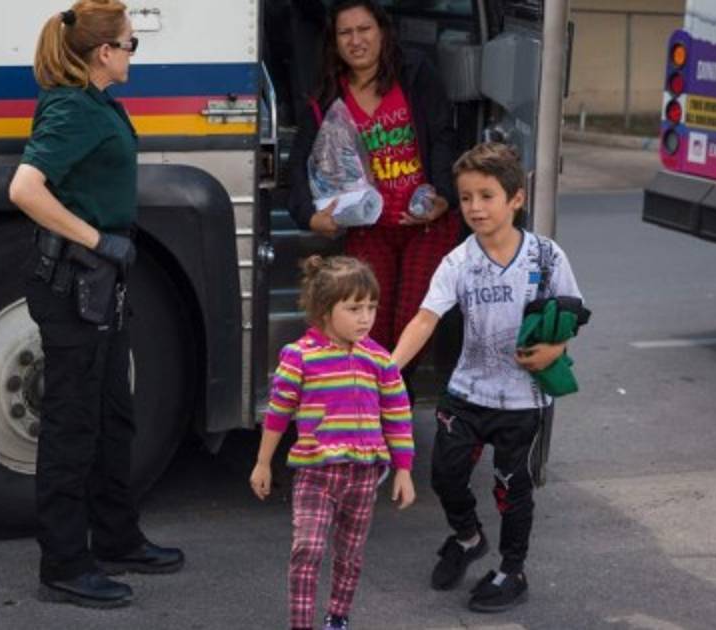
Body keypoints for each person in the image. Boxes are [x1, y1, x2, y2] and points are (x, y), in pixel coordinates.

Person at [8, 0, 183, 610]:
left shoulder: (96, 102)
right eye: (130, 44)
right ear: (104, 52)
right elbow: (24, 188)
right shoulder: (73, 108)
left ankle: (115, 537)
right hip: (74, 284)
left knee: (113, 416)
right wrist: (97, 241)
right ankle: (63, 565)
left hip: (100, 284)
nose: (134, 53)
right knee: (72, 425)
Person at [390, 143, 584, 612]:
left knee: (511, 488)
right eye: (466, 197)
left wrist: (556, 349)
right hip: (466, 393)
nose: (475, 207)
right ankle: (468, 537)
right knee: (445, 476)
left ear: (516, 198)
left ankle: (512, 570)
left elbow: (573, 313)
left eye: (486, 196)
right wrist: (386, 370)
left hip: (523, 401)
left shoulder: (546, 257)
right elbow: (425, 319)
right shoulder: (458, 262)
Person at [287, 0, 462, 362]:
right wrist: (309, 216)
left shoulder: (415, 73)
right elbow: (300, 161)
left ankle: (393, 389)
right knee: (369, 326)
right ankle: (379, 391)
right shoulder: (327, 96)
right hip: (369, 228)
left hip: (425, 224)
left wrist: (444, 197)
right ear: (334, 42)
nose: (356, 41)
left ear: (382, 32)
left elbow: (444, 135)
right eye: (345, 33)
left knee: (411, 322)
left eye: (364, 29)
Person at [250, 255, 416, 630]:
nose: (365, 317)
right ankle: (301, 624)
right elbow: (278, 413)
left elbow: (398, 416)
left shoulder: (380, 360)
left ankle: (338, 616)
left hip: (364, 476)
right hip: (315, 473)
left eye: (371, 307)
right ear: (325, 311)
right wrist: (263, 462)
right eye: (354, 308)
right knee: (307, 548)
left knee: (350, 554)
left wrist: (404, 470)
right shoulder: (299, 357)